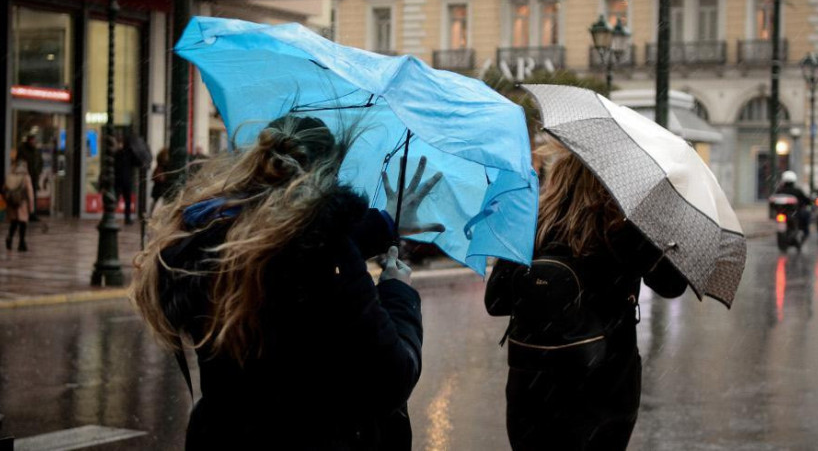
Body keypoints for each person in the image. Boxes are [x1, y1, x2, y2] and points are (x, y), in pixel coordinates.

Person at [131, 115, 442, 450]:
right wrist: (398, 292)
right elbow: (392, 378)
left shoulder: (215, 238)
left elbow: (289, 248)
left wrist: (385, 223)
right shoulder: (323, 258)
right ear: (328, 174)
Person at [485, 145, 687, 451]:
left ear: (559, 177)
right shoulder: (621, 229)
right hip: (604, 391)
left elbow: (496, 302)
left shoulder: (532, 225)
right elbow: (673, 286)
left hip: (532, 390)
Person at [3, 159, 35, 251]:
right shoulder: (26, 177)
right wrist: (31, 207)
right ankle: (21, 243)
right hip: (22, 203)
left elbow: (5, 189)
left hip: (12, 203)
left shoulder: (10, 175)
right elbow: (30, 193)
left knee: (14, 222)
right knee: (23, 222)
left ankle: (10, 237)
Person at [774, 170, 811, 238]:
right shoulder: (797, 191)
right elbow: (806, 200)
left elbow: (774, 200)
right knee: (806, 215)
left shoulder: (780, 190)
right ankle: (805, 232)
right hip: (794, 213)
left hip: (784, 213)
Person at [17, 134, 41, 222]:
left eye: (34, 140)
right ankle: (23, 214)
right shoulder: (22, 149)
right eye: (31, 140)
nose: (33, 142)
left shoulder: (36, 150)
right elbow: (19, 162)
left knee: (32, 196)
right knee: (24, 196)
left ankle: (32, 214)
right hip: (25, 177)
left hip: (34, 177)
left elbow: (40, 161)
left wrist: (38, 171)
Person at [113, 133, 136, 224]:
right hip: (118, 179)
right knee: (116, 198)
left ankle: (127, 218)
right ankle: (112, 216)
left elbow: (135, 163)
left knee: (127, 200)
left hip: (126, 180)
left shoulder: (129, 153)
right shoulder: (117, 153)